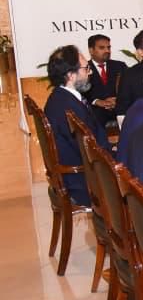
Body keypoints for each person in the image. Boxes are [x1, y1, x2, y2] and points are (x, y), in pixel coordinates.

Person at [42, 45, 109, 206]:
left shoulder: (60, 98)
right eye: (86, 68)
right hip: (83, 182)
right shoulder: (68, 109)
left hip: (82, 171)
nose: (90, 72)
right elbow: (90, 151)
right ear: (71, 75)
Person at [83, 34, 125, 127]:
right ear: (91, 50)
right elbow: (81, 93)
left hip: (118, 107)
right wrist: (97, 101)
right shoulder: (83, 69)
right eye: (102, 48)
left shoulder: (120, 66)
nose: (107, 51)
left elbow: (128, 88)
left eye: (108, 47)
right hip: (96, 110)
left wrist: (118, 99)